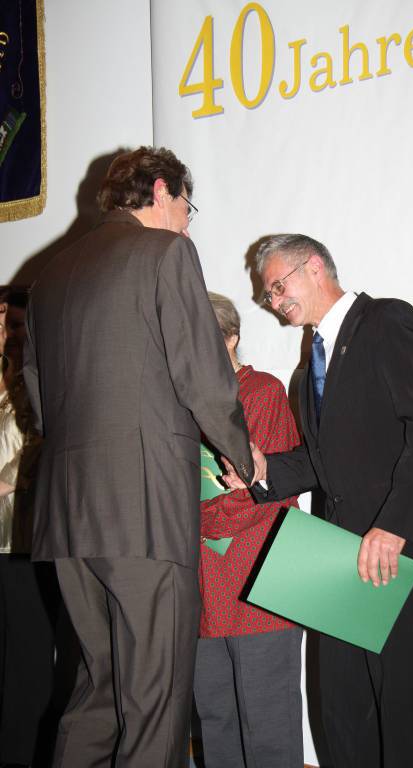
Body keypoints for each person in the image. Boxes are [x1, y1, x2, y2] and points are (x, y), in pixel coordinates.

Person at [22, 146, 254, 768]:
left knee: (95, 694)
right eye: (185, 208)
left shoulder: (50, 277)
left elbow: (40, 402)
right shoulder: (164, 253)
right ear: (160, 191)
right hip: (144, 513)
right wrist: (242, 454)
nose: (186, 225)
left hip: (68, 518)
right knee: (155, 701)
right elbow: (203, 375)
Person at [226, 234, 413, 767]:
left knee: (411, 717)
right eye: (268, 295)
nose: (274, 302)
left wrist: (395, 526)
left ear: (314, 267)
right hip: (337, 563)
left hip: (398, 555)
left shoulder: (387, 321)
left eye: (277, 287)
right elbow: (321, 462)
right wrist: (261, 473)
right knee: (344, 718)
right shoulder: (308, 368)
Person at [194, 292, 303, 768]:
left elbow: (260, 494)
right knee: (215, 722)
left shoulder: (261, 392)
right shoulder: (182, 403)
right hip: (202, 591)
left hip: (260, 584)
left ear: (231, 338)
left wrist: (181, 521)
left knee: (268, 727)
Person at [0, 289, 54, 768]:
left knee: (29, 660)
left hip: (24, 539)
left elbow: (44, 440)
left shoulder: (40, 377)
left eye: (13, 325)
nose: (6, 335)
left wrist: (5, 480)